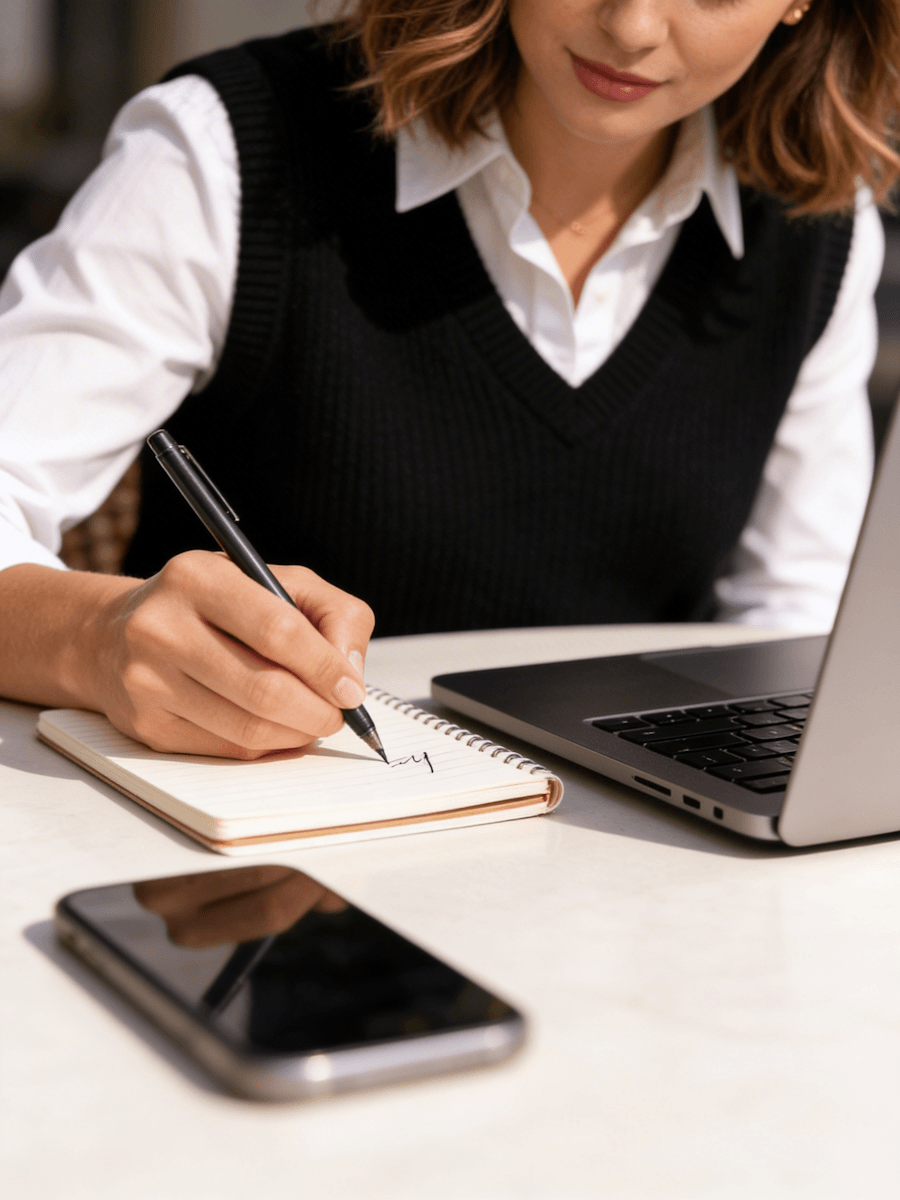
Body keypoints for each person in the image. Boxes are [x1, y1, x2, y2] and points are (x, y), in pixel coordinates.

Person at [0, 0, 897, 760]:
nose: (631, 27)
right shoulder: (231, 147)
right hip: (284, 849)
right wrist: (95, 640)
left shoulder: (817, 224)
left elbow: (797, 619)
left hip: (646, 870)